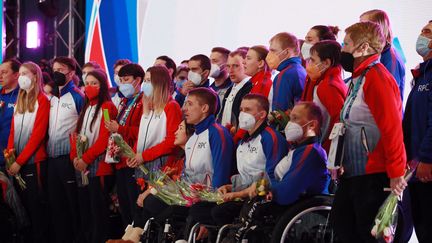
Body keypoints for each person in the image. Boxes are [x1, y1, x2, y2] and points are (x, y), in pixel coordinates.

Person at [330, 22, 407, 243]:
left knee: (366, 232)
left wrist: (396, 172)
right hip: (354, 171)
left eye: (346, 44)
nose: (342, 49)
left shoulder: (377, 78)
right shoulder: (358, 78)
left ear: (363, 48)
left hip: (373, 174)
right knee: (342, 223)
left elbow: (392, 129)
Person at [128, 88, 234, 240]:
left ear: (204, 108)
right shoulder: (194, 137)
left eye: (190, 104)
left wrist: (207, 217)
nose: (184, 108)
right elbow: (185, 176)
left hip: (204, 201)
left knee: (156, 208)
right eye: (185, 104)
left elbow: (221, 176)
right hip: (188, 195)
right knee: (148, 201)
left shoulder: (217, 133)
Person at [188, 94, 287, 235]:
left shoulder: (270, 138)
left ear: (262, 114)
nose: (242, 114)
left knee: (219, 212)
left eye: (248, 110)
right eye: (241, 109)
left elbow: (272, 179)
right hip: (244, 195)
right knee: (198, 209)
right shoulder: (242, 142)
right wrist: (230, 186)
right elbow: (246, 177)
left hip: (261, 197)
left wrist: (236, 194)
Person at [119, 120, 194, 242]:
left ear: (190, 133)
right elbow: (164, 182)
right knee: (141, 203)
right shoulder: (177, 159)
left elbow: (178, 185)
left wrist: (148, 192)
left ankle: (135, 237)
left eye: (180, 128)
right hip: (173, 196)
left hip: (185, 201)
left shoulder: (190, 159)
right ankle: (132, 236)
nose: (175, 132)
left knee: (149, 202)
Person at [70, 69, 118, 243]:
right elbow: (77, 134)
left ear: (102, 85)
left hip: (98, 165)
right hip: (81, 165)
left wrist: (86, 159)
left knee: (98, 211)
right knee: (85, 210)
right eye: (87, 83)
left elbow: (106, 136)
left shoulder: (107, 107)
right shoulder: (85, 107)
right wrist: (75, 156)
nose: (89, 86)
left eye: (94, 83)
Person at [7, 62, 50, 242]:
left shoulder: (42, 100)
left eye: (25, 73)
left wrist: (20, 161)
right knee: (23, 206)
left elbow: (37, 135)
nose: (21, 76)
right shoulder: (20, 100)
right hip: (17, 163)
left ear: (35, 76)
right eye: (20, 73)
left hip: (33, 162)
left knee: (36, 207)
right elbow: (13, 131)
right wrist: (10, 157)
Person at [47, 56, 84, 242]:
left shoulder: (78, 96)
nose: (57, 73)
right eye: (54, 69)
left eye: (61, 70)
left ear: (71, 73)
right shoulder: (52, 97)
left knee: (71, 203)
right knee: (55, 203)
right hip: (51, 157)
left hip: (68, 158)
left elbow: (83, 129)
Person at [403, 20, 432, 243]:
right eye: (423, 30)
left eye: (428, 32)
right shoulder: (422, 73)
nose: (422, 35)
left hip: (426, 166)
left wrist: (427, 158)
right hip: (415, 165)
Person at [104, 63, 144, 227]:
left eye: (126, 79)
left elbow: (143, 131)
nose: (122, 84)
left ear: (138, 80)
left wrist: (120, 128)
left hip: (134, 161)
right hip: (120, 161)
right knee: (125, 208)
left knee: (135, 209)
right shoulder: (123, 103)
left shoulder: (144, 101)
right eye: (120, 80)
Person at [127, 65, 182, 179]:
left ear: (159, 83)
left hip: (159, 165)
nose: (144, 85)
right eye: (145, 81)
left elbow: (172, 142)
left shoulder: (171, 106)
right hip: (142, 163)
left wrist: (143, 156)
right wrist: (132, 155)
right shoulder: (147, 106)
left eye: (148, 81)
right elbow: (142, 135)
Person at [301, 40, 347, 152]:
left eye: (312, 60)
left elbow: (339, 120)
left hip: (323, 148)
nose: (309, 64)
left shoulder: (327, 86)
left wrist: (326, 149)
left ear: (326, 63)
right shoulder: (326, 81)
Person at [360, 9, 405, 101]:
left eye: (363, 26)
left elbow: (388, 95)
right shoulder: (373, 55)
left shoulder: (391, 58)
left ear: (378, 28)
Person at [267, 32, 306, 112]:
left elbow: (279, 113)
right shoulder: (299, 69)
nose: (269, 55)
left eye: (273, 51)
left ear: (287, 52)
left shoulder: (285, 75)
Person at [219, 50, 251, 129]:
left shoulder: (250, 88)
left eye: (236, 66)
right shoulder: (230, 89)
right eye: (228, 66)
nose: (230, 70)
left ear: (245, 65)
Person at [0, 58, 21, 173]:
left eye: (4, 72)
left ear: (16, 75)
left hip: (15, 160)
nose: (0, 76)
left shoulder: (23, 97)